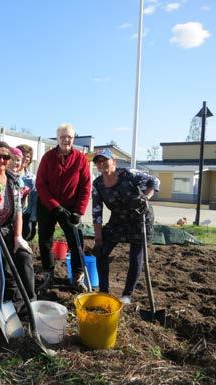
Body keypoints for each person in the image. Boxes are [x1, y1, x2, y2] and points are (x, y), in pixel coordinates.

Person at [91, 148, 160, 304]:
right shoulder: (98, 184)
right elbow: (97, 213)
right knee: (101, 252)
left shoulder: (129, 174)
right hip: (118, 218)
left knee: (135, 256)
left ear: (113, 162)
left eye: (105, 160)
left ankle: (127, 295)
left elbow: (154, 181)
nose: (102, 164)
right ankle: (103, 292)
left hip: (139, 216)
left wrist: (146, 198)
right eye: (98, 162)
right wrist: (98, 239)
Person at [36, 123, 91, 291]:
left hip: (71, 207)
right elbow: (40, 184)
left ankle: (77, 276)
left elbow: (86, 186)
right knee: (45, 240)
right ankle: (48, 274)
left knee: (76, 242)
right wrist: (54, 206)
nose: (66, 140)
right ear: (57, 139)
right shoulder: (48, 157)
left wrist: (78, 211)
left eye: (69, 137)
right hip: (47, 204)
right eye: (62, 137)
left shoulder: (81, 159)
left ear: (73, 139)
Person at [0, 141, 36, 313]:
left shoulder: (13, 181)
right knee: (7, 269)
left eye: (6, 157)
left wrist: (18, 237)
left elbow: (18, 212)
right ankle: (11, 305)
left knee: (24, 256)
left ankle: (30, 303)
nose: (2, 160)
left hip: (8, 231)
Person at [16, 144, 38, 241]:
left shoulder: (32, 179)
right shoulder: (8, 173)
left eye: (28, 156)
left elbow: (34, 201)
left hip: (26, 215)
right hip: (12, 215)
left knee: (25, 238)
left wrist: (33, 219)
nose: (25, 158)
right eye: (22, 155)